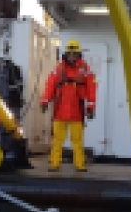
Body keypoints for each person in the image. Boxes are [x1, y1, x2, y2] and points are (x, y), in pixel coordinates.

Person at [41, 40, 96, 172]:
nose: (72, 56)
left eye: (74, 53)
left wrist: (91, 107)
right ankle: (54, 164)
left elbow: (91, 88)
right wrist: (44, 101)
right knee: (57, 140)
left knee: (77, 141)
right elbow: (50, 86)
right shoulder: (57, 70)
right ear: (66, 54)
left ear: (78, 54)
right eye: (70, 53)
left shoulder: (86, 70)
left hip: (77, 110)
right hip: (60, 110)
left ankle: (80, 165)